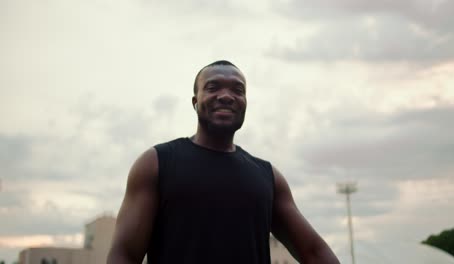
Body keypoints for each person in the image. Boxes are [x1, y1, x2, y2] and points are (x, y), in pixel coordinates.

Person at [107, 60, 340, 264]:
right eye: (213, 87)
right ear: (195, 101)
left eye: (238, 90)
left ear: (245, 102)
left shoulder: (268, 177)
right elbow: (124, 255)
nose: (227, 96)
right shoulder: (156, 163)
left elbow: (314, 253)